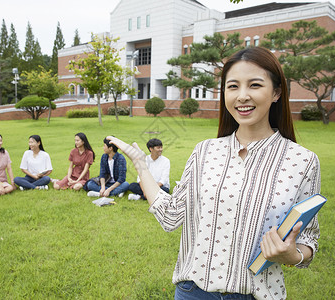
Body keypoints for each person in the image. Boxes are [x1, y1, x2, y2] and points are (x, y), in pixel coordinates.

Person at [107, 47, 321, 300]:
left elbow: (308, 236)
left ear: (276, 92)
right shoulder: (205, 151)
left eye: (254, 85)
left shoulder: (302, 161)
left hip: (256, 294)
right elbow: (171, 214)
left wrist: (293, 255)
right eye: (232, 87)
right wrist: (141, 165)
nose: (242, 96)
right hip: (193, 292)